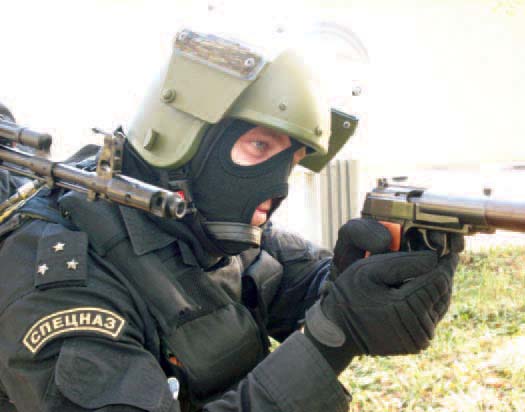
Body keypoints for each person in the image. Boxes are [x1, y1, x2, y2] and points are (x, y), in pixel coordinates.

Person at [0, 29, 463, 412]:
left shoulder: (202, 222)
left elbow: (301, 282)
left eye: (291, 160)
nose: (279, 186)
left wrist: (370, 277)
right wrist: (331, 340)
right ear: (183, 140)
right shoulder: (59, 284)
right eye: (259, 146)